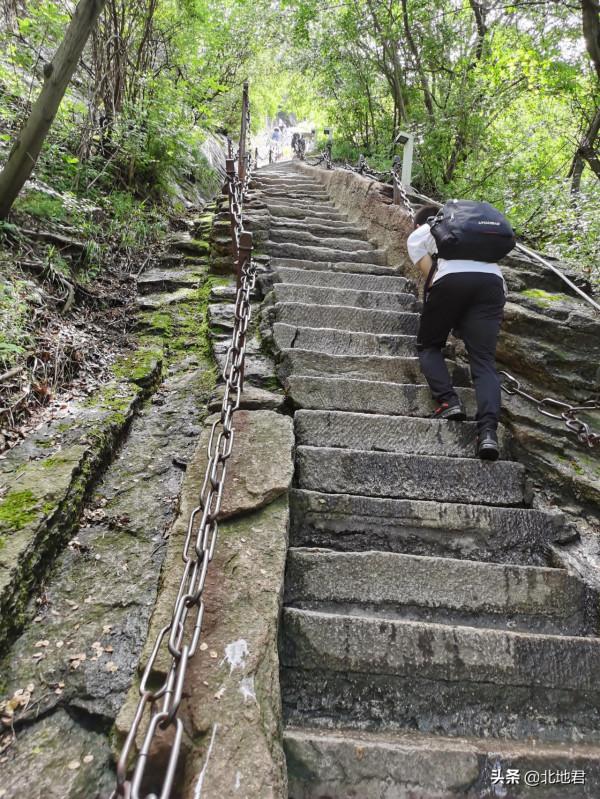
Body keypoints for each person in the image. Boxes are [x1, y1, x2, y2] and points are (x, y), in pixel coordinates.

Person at [406, 204, 507, 461]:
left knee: (429, 345)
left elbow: (419, 247)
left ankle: (448, 401)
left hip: (450, 279)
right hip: (493, 283)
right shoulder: (477, 231)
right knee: (483, 362)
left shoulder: (435, 224)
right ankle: (487, 434)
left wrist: (438, 279)